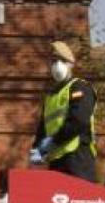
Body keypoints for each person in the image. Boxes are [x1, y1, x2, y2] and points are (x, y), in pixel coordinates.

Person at [30, 41, 97, 182]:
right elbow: (43, 127)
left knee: (78, 200)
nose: (57, 65)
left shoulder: (80, 88)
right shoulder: (51, 96)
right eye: (53, 61)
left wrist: (54, 140)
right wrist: (36, 149)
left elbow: (79, 120)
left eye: (62, 61)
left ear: (71, 64)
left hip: (77, 158)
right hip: (56, 160)